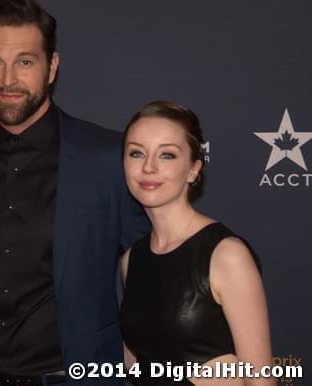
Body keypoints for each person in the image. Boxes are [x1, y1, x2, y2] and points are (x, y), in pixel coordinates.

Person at [0, 1, 149, 385]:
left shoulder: (106, 158)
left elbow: (153, 266)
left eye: (25, 61)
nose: (8, 79)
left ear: (52, 67)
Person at [120, 101, 274, 385]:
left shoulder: (226, 255)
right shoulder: (132, 259)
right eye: (136, 153)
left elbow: (260, 380)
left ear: (193, 170)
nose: (149, 167)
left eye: (167, 155)